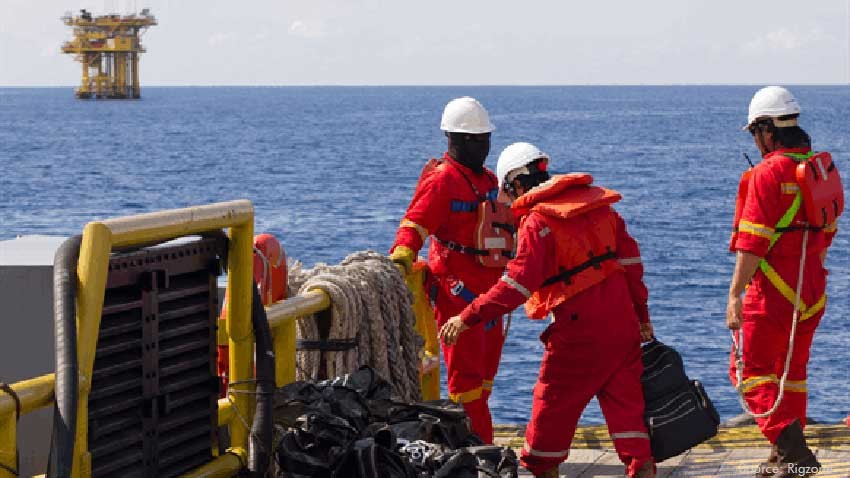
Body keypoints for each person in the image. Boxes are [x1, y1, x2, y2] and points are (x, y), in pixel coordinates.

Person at [439, 142, 655, 478]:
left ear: (515, 184)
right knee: (627, 412)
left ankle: (543, 467)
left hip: (578, 333)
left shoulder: (538, 222)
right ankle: (641, 466)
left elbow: (516, 286)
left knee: (550, 407)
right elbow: (631, 265)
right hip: (623, 323)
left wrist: (466, 317)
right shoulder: (600, 208)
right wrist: (642, 317)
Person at [727, 86, 838, 477]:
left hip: (773, 291)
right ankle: (784, 458)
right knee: (791, 375)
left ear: (765, 130)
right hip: (811, 289)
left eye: (755, 134)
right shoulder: (818, 167)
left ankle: (796, 456)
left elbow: (752, 242)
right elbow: (827, 231)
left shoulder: (766, 173)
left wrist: (735, 295)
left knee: (749, 372)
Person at [389, 97, 513, 444]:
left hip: (491, 298)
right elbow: (414, 224)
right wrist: (402, 256)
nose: (483, 146)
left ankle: (480, 446)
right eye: (476, 139)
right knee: (466, 385)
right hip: (457, 297)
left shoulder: (489, 181)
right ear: (456, 140)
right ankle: (474, 449)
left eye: (486, 138)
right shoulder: (442, 181)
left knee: (483, 382)